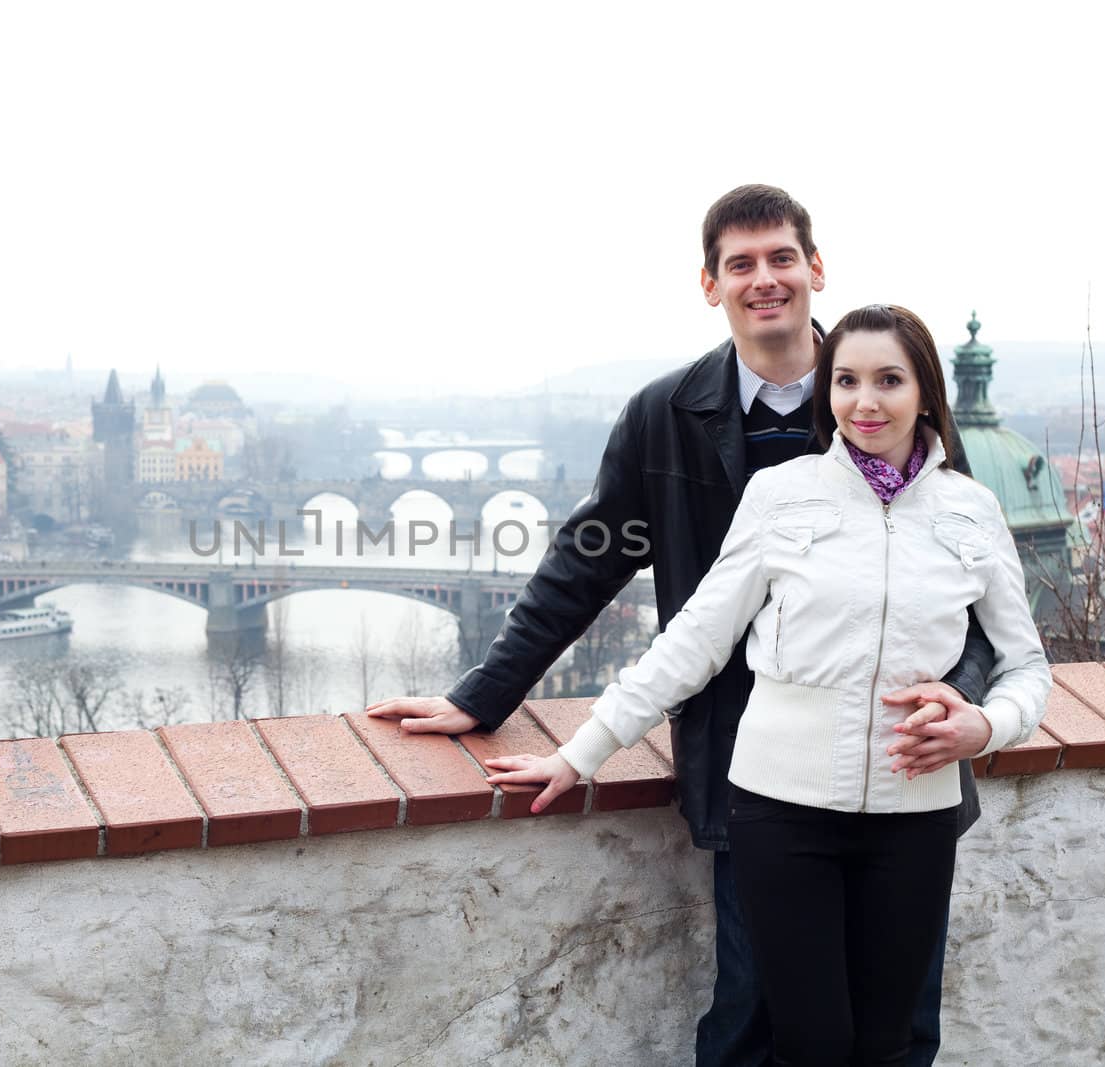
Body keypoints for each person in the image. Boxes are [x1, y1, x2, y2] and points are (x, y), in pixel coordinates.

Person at [367, 185, 999, 1067]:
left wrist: (961, 704)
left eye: (782, 257)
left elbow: (967, 595)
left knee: (898, 1028)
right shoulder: (666, 416)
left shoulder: (888, 398)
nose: (765, 279)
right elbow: (589, 558)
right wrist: (485, 692)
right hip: (754, 768)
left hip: (902, 768)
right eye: (741, 264)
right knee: (750, 1012)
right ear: (711, 284)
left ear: (816, 269)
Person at [483, 304, 1051, 1063]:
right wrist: (580, 751)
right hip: (782, 811)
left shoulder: (971, 510)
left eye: (889, 379)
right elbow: (695, 638)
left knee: (890, 1044)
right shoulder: (783, 494)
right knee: (809, 1041)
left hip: (915, 811)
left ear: (925, 392)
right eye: (845, 380)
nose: (865, 401)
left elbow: (1026, 664)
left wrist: (986, 726)